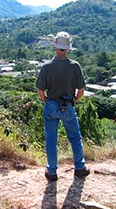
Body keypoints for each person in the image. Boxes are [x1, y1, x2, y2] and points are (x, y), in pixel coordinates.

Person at [36, 31, 90, 181]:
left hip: (51, 105)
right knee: (75, 138)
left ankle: (52, 171)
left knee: (51, 139)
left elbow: (40, 91)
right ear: (68, 48)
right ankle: (80, 168)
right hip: (68, 105)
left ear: (55, 46)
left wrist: (47, 101)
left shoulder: (47, 66)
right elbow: (81, 91)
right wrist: (73, 101)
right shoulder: (75, 66)